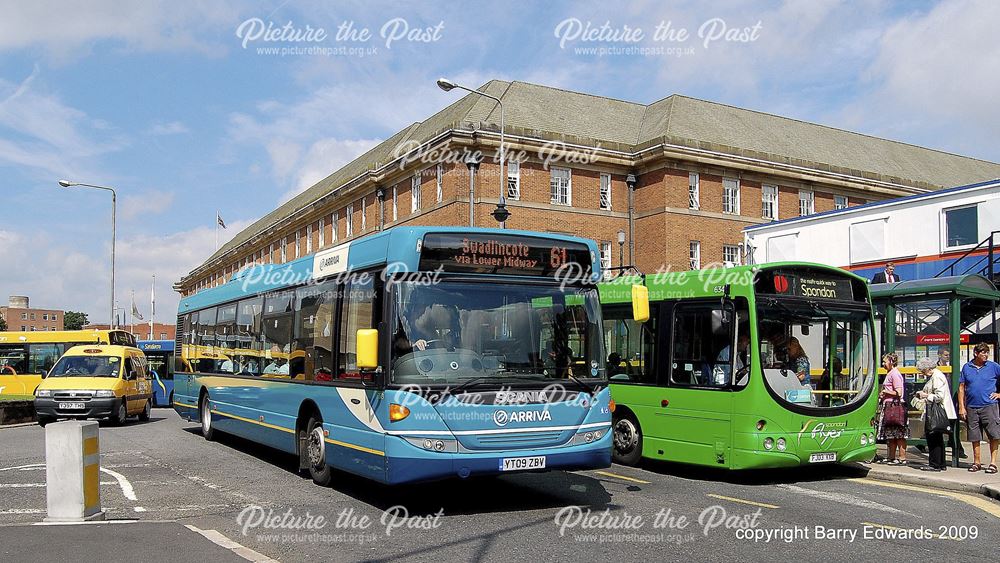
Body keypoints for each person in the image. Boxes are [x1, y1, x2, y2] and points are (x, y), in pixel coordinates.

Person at [958, 343, 1000, 473]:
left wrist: (999, 394)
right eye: (983, 352)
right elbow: (961, 388)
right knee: (974, 436)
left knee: (993, 434)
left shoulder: (994, 367)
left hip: (989, 405)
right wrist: (961, 407)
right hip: (972, 406)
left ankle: (993, 463)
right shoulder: (967, 367)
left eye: (987, 352)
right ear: (976, 353)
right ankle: (976, 462)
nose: (986, 355)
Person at [914, 357, 957, 472]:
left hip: (937, 412)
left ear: (928, 369)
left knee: (933, 438)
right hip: (937, 411)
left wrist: (924, 395)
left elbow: (939, 396)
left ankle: (935, 464)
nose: (922, 373)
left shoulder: (937, 376)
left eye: (923, 371)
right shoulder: (936, 375)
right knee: (937, 438)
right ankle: (940, 464)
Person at [875, 352, 909, 465]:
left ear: (891, 362)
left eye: (885, 361)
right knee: (890, 434)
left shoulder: (895, 374)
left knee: (899, 434)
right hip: (889, 406)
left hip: (894, 408)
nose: (883, 364)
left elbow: (899, 392)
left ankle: (902, 458)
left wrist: (885, 391)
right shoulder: (890, 373)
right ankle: (891, 457)